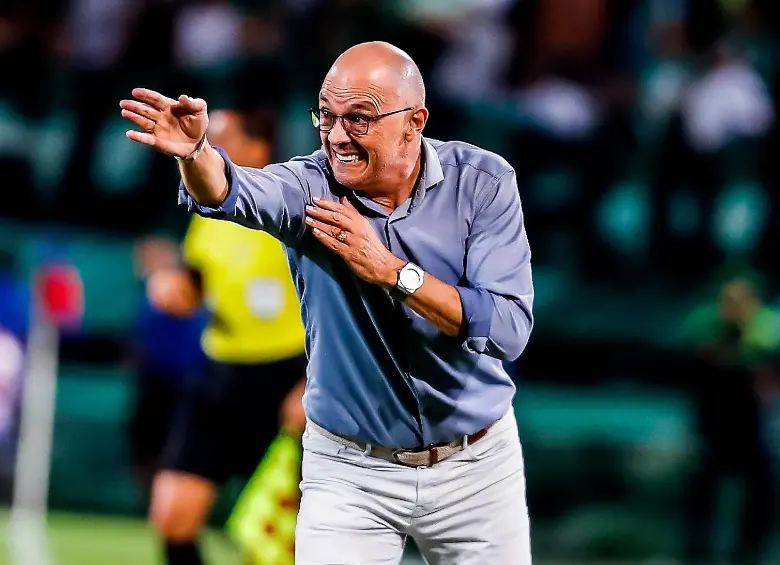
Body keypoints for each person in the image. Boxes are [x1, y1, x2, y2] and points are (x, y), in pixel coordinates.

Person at [120, 41, 534, 565]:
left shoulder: (482, 184)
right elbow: (230, 190)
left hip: (476, 465)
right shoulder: (309, 186)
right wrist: (196, 156)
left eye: (359, 118)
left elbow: (508, 329)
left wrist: (391, 272)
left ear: (415, 121)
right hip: (350, 470)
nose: (338, 136)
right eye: (327, 117)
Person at [140, 108, 308, 565]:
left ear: (258, 146)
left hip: (285, 381)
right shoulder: (206, 207)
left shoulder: (295, 206)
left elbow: (337, 306)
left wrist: (312, 384)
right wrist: (174, 290)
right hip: (218, 375)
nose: (209, 147)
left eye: (222, 138)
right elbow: (194, 283)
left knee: (279, 541)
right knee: (172, 515)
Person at [681, 271, 778, 565]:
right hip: (715, 421)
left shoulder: (766, 326)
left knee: (759, 490)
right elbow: (697, 359)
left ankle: (750, 552)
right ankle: (697, 550)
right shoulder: (706, 323)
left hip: (752, 423)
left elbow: (763, 367)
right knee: (703, 487)